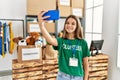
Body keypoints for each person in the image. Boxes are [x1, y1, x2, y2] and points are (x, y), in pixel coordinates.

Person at [38, 11, 90, 80]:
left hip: (78, 77)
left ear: (77, 26)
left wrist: (85, 79)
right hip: (63, 76)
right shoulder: (61, 41)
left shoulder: (83, 43)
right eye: (67, 23)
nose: (69, 25)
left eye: (73, 24)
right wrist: (41, 25)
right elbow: (50, 39)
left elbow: (86, 65)